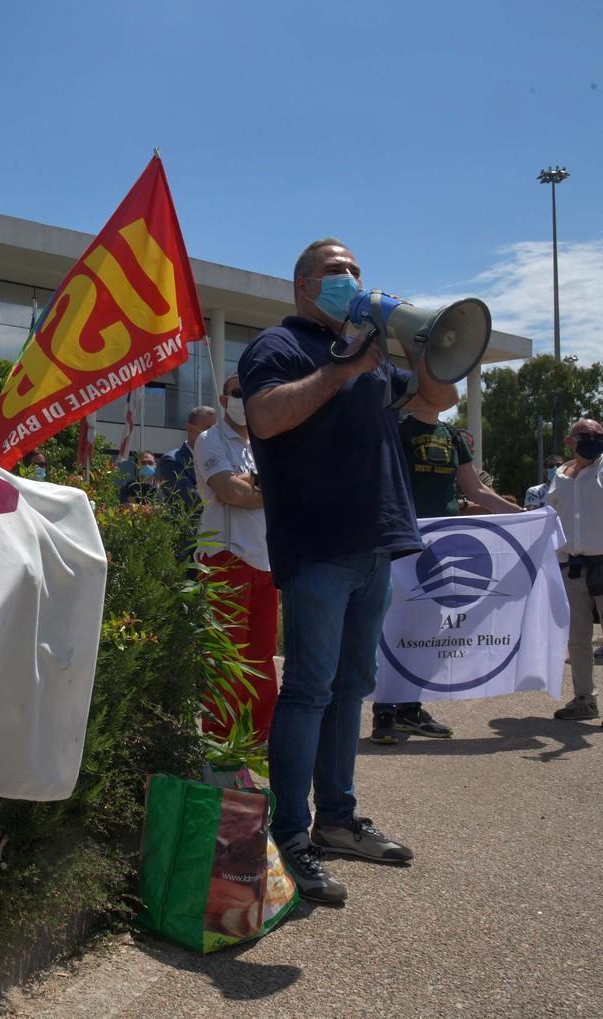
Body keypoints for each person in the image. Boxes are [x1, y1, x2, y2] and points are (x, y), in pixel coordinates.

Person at [238, 237, 458, 905]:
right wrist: (340, 369)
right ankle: (291, 832)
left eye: (356, 270)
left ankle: (337, 819)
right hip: (318, 545)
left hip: (373, 545)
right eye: (337, 271)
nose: (352, 279)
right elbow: (267, 418)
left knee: (351, 684)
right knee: (307, 688)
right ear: (305, 285)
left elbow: (437, 395)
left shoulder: (371, 354)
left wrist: (419, 342)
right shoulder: (277, 346)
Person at [370, 408, 522, 744]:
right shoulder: (395, 429)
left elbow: (477, 490)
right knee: (391, 626)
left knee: (428, 630)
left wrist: (528, 517)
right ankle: (383, 711)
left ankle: (409, 709)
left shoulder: (452, 436)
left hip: (442, 546)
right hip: (400, 543)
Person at [195, 375, 277, 740]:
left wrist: (253, 486)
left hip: (265, 559)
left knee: (261, 659)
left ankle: (259, 739)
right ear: (224, 398)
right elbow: (228, 491)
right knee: (226, 659)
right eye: (239, 392)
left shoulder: (266, 443)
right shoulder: (209, 439)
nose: (245, 399)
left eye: (252, 392)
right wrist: (269, 487)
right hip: (225, 557)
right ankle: (220, 741)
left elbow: (261, 489)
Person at [545, 418, 603, 722]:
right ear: (570, 441)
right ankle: (584, 699)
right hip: (571, 566)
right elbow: (547, 518)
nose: (593, 439)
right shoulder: (559, 477)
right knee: (578, 638)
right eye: (586, 435)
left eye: (599, 434)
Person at [155, 405, 218, 509]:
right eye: (207, 429)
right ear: (190, 429)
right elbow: (190, 501)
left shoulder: (219, 459)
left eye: (216, 430)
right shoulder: (172, 461)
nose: (213, 435)